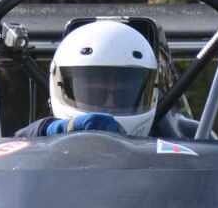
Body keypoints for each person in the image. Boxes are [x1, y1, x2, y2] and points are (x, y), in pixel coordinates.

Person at [16, 19, 160, 137]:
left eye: (124, 94)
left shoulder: (171, 139)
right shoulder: (35, 143)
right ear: (59, 85)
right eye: (96, 93)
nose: (109, 106)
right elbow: (8, 147)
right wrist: (50, 129)